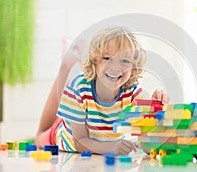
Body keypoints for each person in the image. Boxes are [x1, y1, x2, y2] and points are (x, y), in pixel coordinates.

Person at [34, 26, 168, 155]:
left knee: (104, 76)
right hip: (66, 133)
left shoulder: (135, 95)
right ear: (95, 61)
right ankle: (66, 61)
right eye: (107, 58)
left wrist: (156, 113)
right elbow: (79, 142)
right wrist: (112, 147)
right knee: (39, 137)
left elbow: (147, 148)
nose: (115, 67)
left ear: (134, 67)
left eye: (125, 61)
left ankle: (80, 56)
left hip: (85, 113)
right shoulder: (78, 88)